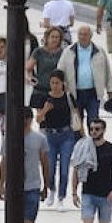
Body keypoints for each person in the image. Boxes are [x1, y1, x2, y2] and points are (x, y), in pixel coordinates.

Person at [7, 113, 53, 223]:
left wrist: (46, 185)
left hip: (32, 187)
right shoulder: (10, 137)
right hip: (15, 187)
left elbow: (45, 162)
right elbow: (4, 161)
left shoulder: (39, 139)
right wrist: (2, 184)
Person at [37, 70, 78, 208]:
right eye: (52, 83)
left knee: (65, 168)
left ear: (62, 83)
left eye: (57, 83)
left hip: (66, 135)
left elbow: (76, 115)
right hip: (50, 136)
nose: (54, 86)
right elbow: (38, 119)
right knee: (50, 168)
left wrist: (82, 134)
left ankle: (61, 196)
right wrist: (45, 109)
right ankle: (52, 191)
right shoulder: (45, 98)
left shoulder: (68, 97)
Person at [56, 22, 107, 124]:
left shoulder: (99, 51)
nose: (82, 37)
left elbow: (107, 71)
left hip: (93, 93)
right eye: (80, 34)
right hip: (75, 93)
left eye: (85, 34)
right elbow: (60, 70)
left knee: (94, 121)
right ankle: (78, 140)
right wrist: (61, 87)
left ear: (90, 36)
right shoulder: (68, 51)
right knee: (76, 123)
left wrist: (110, 90)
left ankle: (93, 139)